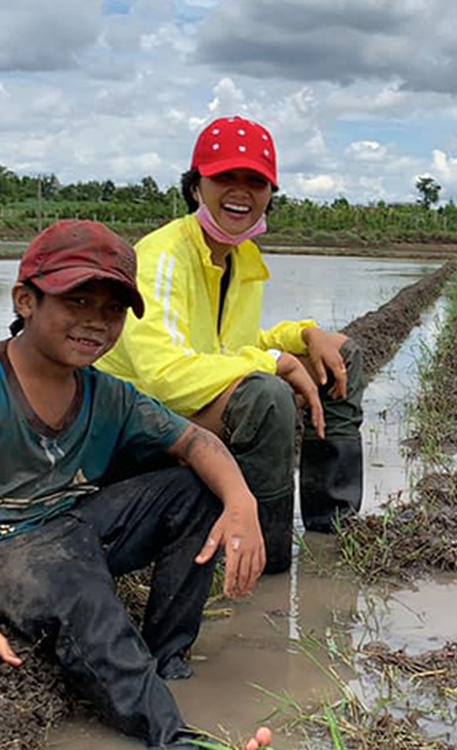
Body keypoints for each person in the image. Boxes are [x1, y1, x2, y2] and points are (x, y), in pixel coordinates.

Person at [0, 220, 269, 750]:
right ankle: (173, 744)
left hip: (70, 527)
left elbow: (196, 441)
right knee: (74, 580)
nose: (96, 321)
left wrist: (242, 503)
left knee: (195, 489)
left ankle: (167, 657)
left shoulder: (108, 394)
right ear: (25, 300)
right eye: (77, 300)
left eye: (113, 309)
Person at [97, 116, 365, 573]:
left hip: (187, 403)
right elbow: (163, 375)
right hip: (135, 424)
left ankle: (331, 526)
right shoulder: (163, 257)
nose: (241, 192)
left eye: (255, 181)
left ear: (269, 195)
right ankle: (265, 559)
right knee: (267, 395)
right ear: (196, 186)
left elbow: (230, 345)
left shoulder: (240, 256)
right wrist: (273, 362)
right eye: (225, 177)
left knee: (341, 356)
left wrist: (301, 336)